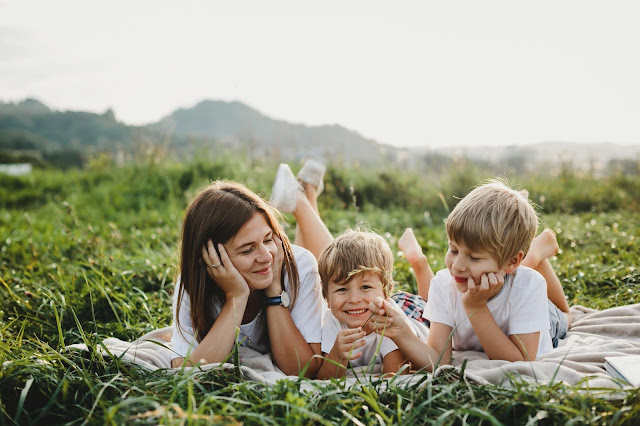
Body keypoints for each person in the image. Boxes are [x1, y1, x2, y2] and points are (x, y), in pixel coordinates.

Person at [366, 180, 572, 370]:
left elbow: (519, 363)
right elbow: (438, 360)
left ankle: (536, 253)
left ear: (511, 262)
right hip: (508, 269)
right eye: (453, 250)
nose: (456, 266)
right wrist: (403, 333)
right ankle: (525, 242)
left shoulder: (529, 286)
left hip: (545, 319)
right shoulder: (443, 284)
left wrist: (476, 307)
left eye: (474, 257)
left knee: (566, 316)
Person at [170, 180, 326, 377]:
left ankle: (302, 199)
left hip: (308, 270)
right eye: (247, 250)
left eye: (268, 239)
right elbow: (189, 371)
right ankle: (303, 196)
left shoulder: (300, 265)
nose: (267, 256)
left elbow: (304, 369)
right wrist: (236, 297)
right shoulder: (193, 283)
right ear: (211, 258)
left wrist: (274, 291)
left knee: (337, 261)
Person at [314, 230, 428, 379]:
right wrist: (336, 355)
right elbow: (323, 381)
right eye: (342, 289)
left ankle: (419, 262)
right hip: (383, 303)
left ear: (386, 291)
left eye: (365, 287)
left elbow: (395, 376)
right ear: (326, 297)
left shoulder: (388, 322)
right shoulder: (333, 322)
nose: (354, 299)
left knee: (430, 305)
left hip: (414, 313)